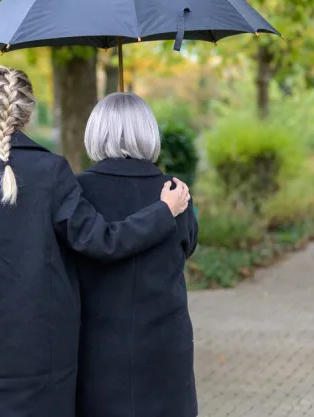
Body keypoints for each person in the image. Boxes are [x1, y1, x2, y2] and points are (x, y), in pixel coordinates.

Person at [0, 66, 191, 417]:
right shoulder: (51, 171)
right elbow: (101, 241)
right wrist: (162, 212)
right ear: (27, 113)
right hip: (41, 349)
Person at [76, 92, 199, 417]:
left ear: (97, 132)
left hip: (98, 348)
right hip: (165, 345)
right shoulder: (176, 192)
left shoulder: (77, 192)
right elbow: (188, 246)